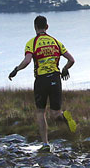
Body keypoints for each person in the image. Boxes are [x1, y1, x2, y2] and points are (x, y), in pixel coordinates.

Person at [9, 15, 77, 143]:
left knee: (41, 112)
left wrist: (16, 69)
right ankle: (64, 117)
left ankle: (45, 143)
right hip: (56, 79)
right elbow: (71, 60)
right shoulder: (56, 42)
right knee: (55, 113)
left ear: (35, 27)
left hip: (41, 80)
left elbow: (27, 61)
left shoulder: (32, 43)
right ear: (47, 27)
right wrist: (65, 69)